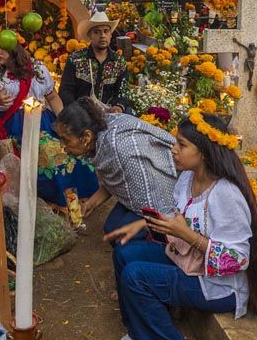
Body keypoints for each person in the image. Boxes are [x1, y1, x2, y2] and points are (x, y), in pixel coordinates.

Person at [106, 109, 257, 340]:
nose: (174, 149)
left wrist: (189, 237)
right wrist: (144, 224)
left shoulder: (226, 194)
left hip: (216, 286)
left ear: (202, 152)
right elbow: (177, 216)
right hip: (186, 262)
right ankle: (138, 330)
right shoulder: (188, 179)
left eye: (182, 144)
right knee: (125, 253)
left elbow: (238, 260)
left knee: (136, 277)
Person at [0, 41, 97, 223]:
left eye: (2, 47)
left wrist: (66, 124)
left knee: (73, 159)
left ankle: (74, 211)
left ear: (15, 49)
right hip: (13, 129)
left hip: (44, 123)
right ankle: (49, 213)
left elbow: (53, 97)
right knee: (49, 161)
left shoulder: (37, 69)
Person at [54, 97, 177, 244]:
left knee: (122, 239)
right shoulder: (99, 136)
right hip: (142, 193)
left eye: (66, 140)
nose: (62, 146)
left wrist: (158, 228)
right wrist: (90, 204)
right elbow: (115, 179)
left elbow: (153, 201)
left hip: (164, 195)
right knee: (112, 228)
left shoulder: (120, 150)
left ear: (86, 136)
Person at [59, 11, 131, 113]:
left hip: (110, 114)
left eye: (106, 31)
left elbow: (123, 92)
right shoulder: (75, 59)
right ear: (89, 35)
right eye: (97, 32)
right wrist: (75, 110)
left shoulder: (118, 62)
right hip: (81, 115)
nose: (102, 36)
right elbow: (65, 90)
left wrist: (118, 107)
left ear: (110, 35)